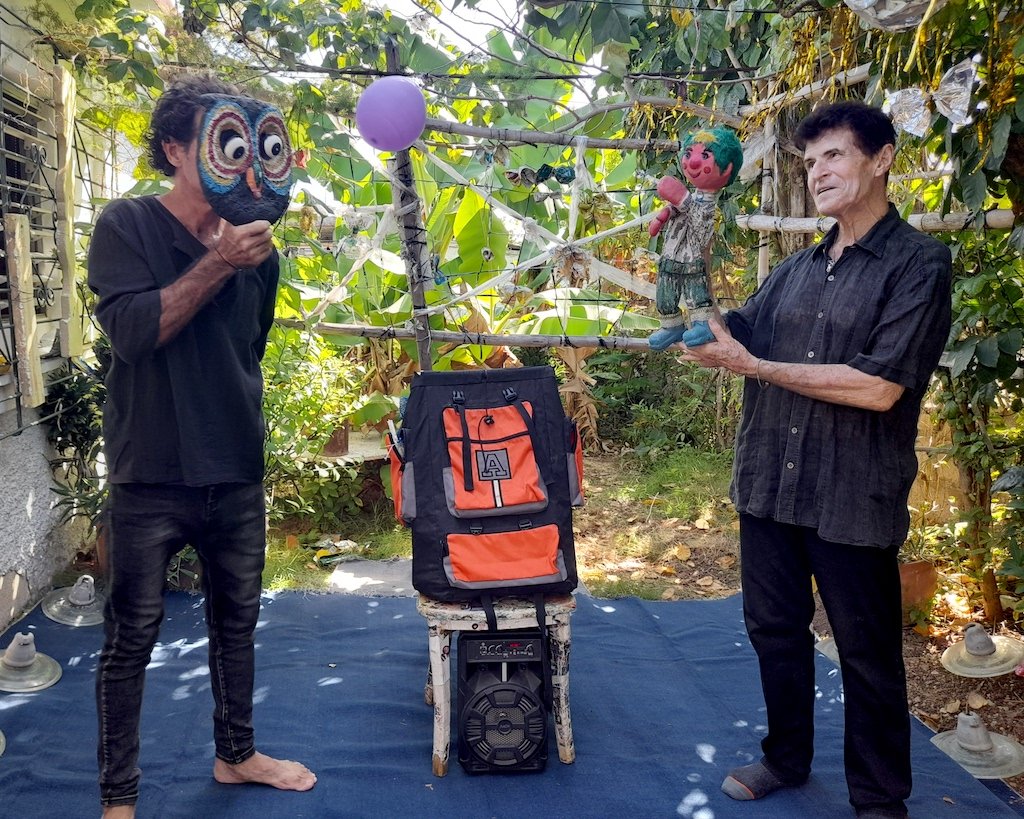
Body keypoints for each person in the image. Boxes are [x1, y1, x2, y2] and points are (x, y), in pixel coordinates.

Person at [678, 101, 951, 818]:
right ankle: (785, 756)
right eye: (810, 161)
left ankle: (880, 796)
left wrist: (754, 364)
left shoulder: (918, 265)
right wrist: (692, 300)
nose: (818, 172)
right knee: (774, 628)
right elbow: (739, 332)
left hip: (852, 491)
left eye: (833, 155)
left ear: (881, 158)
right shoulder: (797, 268)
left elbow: (880, 386)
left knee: (865, 652)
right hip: (770, 482)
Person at [88, 74, 316, 816]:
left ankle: (236, 754)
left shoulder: (265, 251)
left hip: (234, 466)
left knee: (237, 623)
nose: (244, 156)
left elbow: (248, 348)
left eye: (250, 140)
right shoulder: (126, 225)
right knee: (133, 637)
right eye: (225, 139)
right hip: (149, 471)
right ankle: (119, 797)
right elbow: (133, 334)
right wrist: (219, 261)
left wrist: (241, 257)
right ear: (176, 150)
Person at [647, 125, 743, 351]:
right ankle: (671, 325)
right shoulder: (687, 199)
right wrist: (663, 216)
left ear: (727, 169)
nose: (693, 162)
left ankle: (702, 324)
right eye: (689, 155)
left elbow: (701, 226)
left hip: (692, 261)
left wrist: (682, 198)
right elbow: (677, 210)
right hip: (671, 255)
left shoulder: (707, 203)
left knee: (696, 294)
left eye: (705, 156)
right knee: (665, 292)